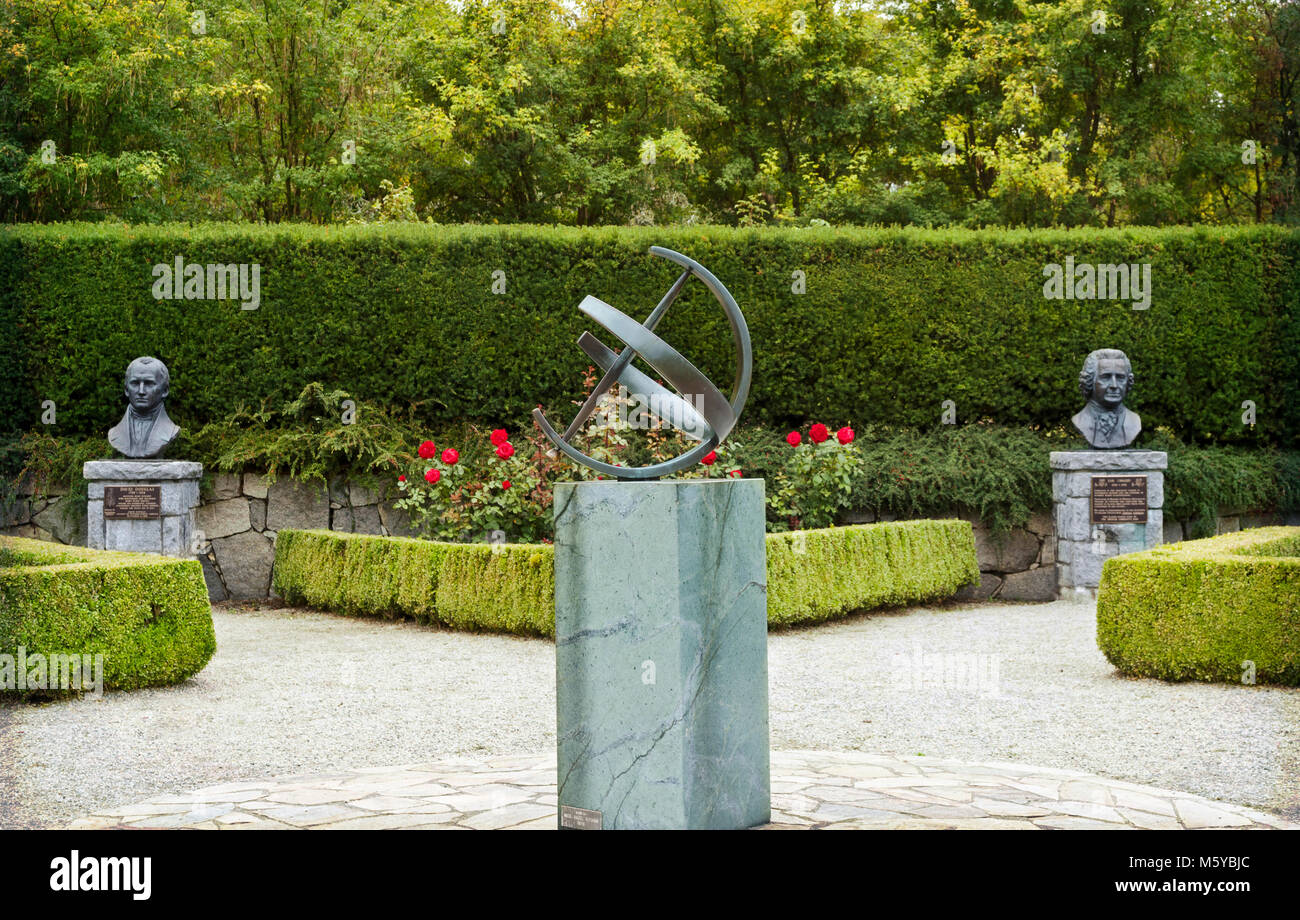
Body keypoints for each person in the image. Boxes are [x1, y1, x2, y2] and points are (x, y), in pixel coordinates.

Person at [107, 356, 180, 458]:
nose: (141, 391)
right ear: (126, 390)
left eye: (149, 384)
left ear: (165, 391)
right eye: (135, 383)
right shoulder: (114, 433)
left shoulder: (171, 431)